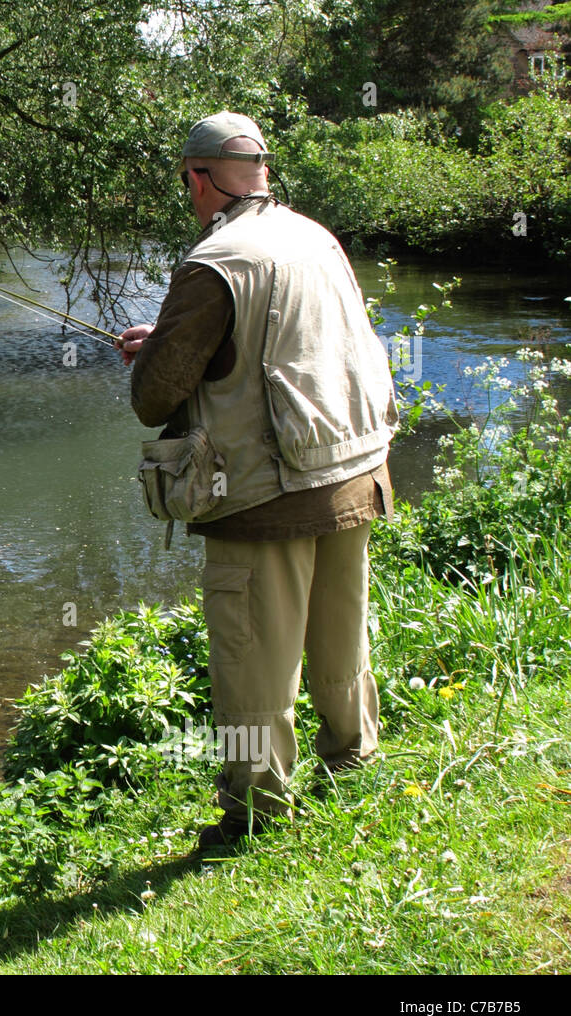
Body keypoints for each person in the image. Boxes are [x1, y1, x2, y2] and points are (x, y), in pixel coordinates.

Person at [116, 112, 398, 850]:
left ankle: (257, 814)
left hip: (266, 492)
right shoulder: (316, 237)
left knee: (250, 661)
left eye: (186, 181)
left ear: (200, 177)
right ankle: (354, 761)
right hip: (353, 472)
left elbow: (156, 395)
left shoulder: (215, 260)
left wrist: (151, 357)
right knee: (339, 638)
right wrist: (174, 340)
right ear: (261, 172)